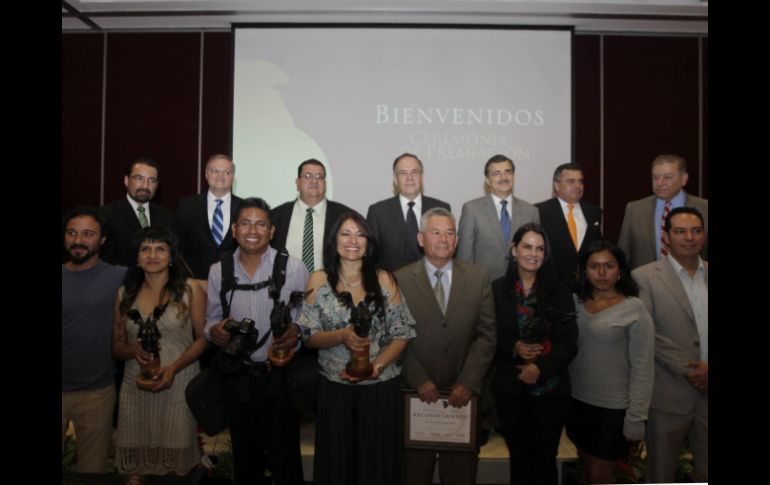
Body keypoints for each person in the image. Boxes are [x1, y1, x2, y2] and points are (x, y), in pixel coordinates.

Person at [297, 210, 416, 485]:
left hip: (380, 388)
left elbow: (403, 333)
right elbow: (308, 335)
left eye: (360, 234)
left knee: (378, 467)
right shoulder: (318, 280)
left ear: (369, 242)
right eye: (346, 233)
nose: (353, 240)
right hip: (334, 388)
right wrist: (341, 335)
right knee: (337, 467)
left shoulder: (385, 279)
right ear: (334, 240)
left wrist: (376, 367)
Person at [205, 197, 309, 485]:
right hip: (237, 377)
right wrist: (216, 332)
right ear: (235, 230)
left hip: (278, 376)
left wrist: (296, 333)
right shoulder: (219, 270)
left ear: (272, 231)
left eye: (261, 224)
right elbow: (210, 319)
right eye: (246, 224)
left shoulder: (294, 268)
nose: (253, 230)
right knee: (244, 457)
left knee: (285, 457)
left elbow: (307, 318)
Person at [395, 207, 496, 485]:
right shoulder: (399, 279)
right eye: (435, 232)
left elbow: (487, 335)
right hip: (415, 396)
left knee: (460, 475)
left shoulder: (478, 277)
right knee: (415, 474)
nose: (443, 239)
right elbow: (394, 336)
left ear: (457, 239)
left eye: (449, 233)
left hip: (463, 397)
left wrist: (468, 381)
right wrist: (418, 379)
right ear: (420, 238)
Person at [111, 225, 207, 482]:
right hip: (135, 387)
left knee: (177, 470)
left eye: (160, 249)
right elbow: (117, 347)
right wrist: (133, 350)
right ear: (137, 257)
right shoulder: (124, 295)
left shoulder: (190, 289)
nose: (152, 254)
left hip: (178, 383)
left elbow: (203, 340)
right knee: (135, 473)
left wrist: (173, 368)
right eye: (145, 249)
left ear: (172, 256)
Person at [490, 222, 578, 485]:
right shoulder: (497, 290)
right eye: (527, 246)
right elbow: (488, 336)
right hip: (510, 391)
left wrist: (540, 368)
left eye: (540, 249)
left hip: (551, 392)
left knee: (544, 462)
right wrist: (513, 347)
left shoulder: (559, 290)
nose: (533, 253)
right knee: (519, 460)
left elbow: (569, 342)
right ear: (514, 250)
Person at [566, 240, 654, 484]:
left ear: (620, 271)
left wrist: (636, 418)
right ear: (584, 270)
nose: (602, 273)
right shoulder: (573, 303)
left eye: (609, 266)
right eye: (595, 266)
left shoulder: (634, 308)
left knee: (599, 476)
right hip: (577, 403)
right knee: (584, 469)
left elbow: (643, 368)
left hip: (613, 410)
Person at [632, 207, 708, 483]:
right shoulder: (644, 277)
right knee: (660, 474)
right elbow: (647, 332)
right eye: (680, 231)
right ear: (666, 237)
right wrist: (689, 370)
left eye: (696, 230)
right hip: (668, 395)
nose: (689, 237)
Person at [62, 207, 127, 473]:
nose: (78, 240)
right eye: (72, 233)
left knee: (92, 473)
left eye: (88, 234)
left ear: (102, 240)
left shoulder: (119, 276)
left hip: (97, 393)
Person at [457, 154, 539, 281]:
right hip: (483, 287)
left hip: (521, 287)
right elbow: (464, 257)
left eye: (508, 172)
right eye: (496, 173)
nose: (503, 177)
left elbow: (537, 254)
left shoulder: (531, 211)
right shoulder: (471, 209)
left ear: (513, 176)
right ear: (488, 180)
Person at [618, 154, 708, 269]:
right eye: (655, 177)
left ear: (684, 179)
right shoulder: (635, 209)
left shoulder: (705, 208)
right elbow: (623, 255)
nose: (660, 183)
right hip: (645, 284)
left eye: (667, 177)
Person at [366, 153, 451, 272]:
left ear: (422, 177)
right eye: (403, 173)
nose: (409, 178)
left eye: (414, 172)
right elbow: (370, 256)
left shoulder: (441, 208)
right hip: (392, 285)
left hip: (432, 285)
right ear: (395, 179)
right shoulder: (378, 212)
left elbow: (448, 250)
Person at [271, 158, 353, 273]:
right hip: (285, 286)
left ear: (325, 184)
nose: (314, 181)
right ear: (298, 183)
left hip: (330, 286)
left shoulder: (345, 216)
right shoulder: (276, 216)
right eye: (308, 176)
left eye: (320, 177)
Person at [175, 154, 243, 283]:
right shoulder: (186, 206)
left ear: (233, 177)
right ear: (206, 174)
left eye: (226, 172)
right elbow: (178, 247)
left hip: (235, 283)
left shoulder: (245, 208)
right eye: (215, 171)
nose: (220, 176)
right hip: (195, 282)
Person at [535, 163, 603, 289]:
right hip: (552, 288)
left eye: (580, 182)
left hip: (587, 287)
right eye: (571, 181)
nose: (577, 186)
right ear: (556, 186)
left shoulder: (594, 212)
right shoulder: (539, 211)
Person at [100, 157, 175, 267]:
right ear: (126, 180)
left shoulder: (169, 217)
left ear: (157, 185)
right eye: (139, 178)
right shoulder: (106, 214)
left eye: (151, 180)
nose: (145, 186)